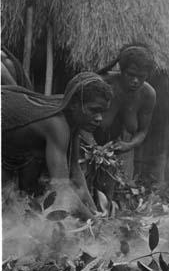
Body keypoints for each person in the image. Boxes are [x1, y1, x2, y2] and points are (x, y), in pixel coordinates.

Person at [2, 72, 112, 219]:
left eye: (102, 112)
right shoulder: (58, 125)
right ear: (74, 105)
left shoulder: (74, 112)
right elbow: (61, 188)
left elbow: (74, 169)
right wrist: (92, 221)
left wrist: (93, 210)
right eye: (94, 110)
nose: (99, 118)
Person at [94, 44, 156, 154]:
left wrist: (129, 145)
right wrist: (93, 148)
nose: (136, 81)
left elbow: (142, 131)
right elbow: (80, 123)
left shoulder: (148, 95)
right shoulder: (102, 84)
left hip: (117, 156)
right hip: (86, 150)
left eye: (141, 76)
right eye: (131, 75)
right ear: (121, 70)